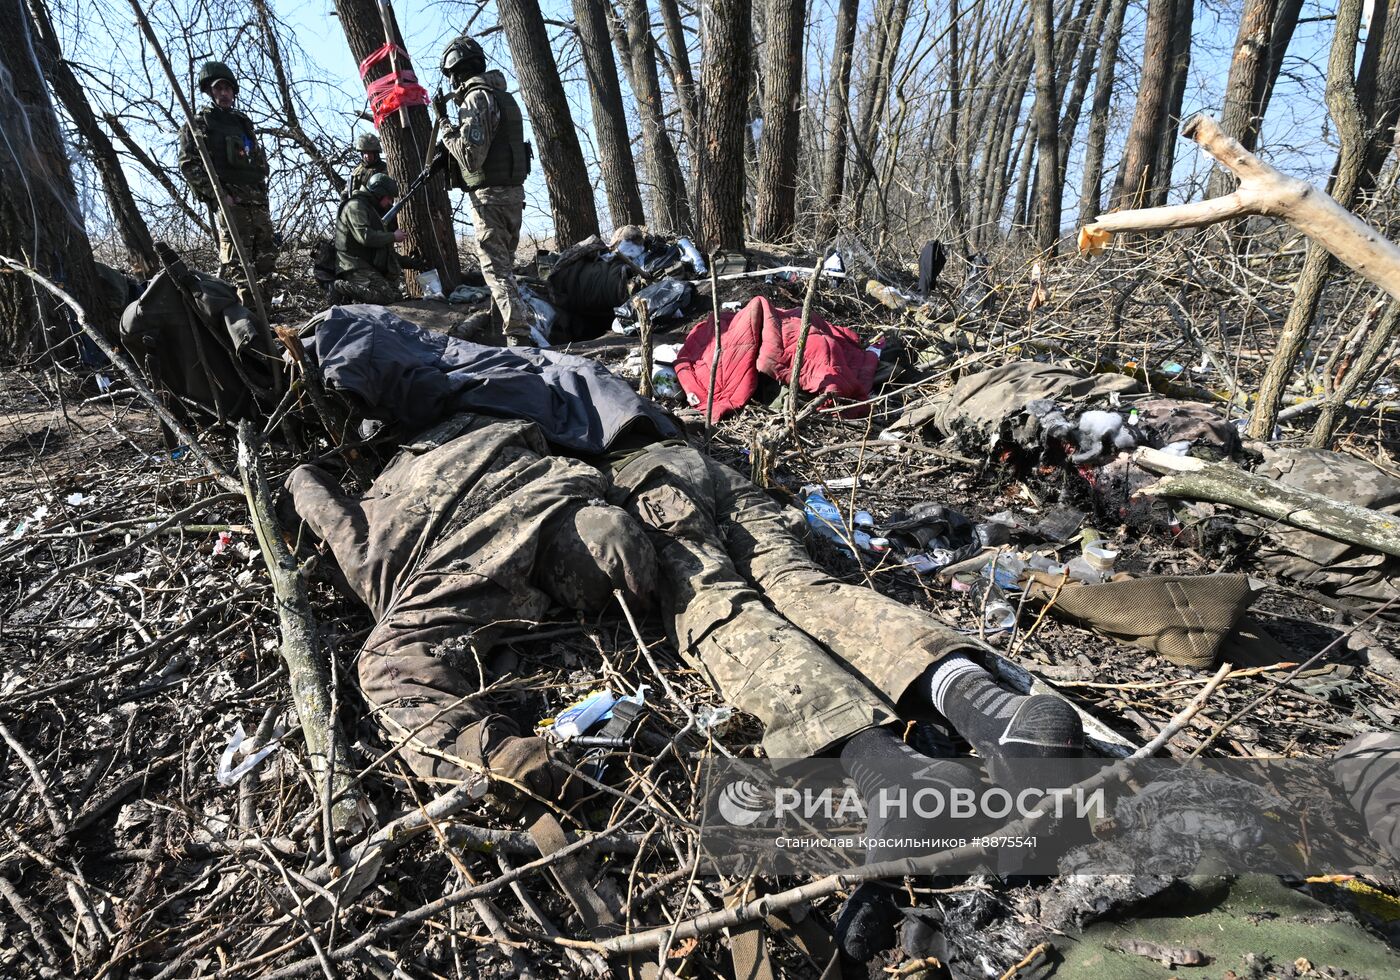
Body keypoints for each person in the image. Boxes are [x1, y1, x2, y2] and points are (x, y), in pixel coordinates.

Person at [436, 34, 533, 346]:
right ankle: (502, 328)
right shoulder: (504, 96)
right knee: (503, 269)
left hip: (490, 198)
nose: (452, 82)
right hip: (513, 196)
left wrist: (445, 126)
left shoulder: (476, 99)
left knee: (496, 272)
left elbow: (470, 156)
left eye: (452, 75)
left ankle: (519, 339)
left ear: (458, 72)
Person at [178, 61, 277, 310]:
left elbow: (254, 158)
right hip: (232, 202)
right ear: (210, 92)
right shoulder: (198, 124)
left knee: (266, 259)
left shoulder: (242, 122)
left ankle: (266, 313)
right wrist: (218, 196)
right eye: (218, 89)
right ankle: (252, 320)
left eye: (227, 89)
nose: (224, 93)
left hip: (256, 201)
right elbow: (189, 165)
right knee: (241, 264)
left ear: (233, 92)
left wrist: (262, 191)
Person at [327, 172, 406, 305]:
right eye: (389, 198)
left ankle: (352, 295)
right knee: (386, 297)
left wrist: (413, 263)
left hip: (365, 265)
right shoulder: (356, 206)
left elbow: (384, 251)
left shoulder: (369, 208)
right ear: (379, 194)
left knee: (397, 295)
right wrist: (393, 236)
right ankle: (340, 287)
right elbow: (365, 237)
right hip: (352, 266)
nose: (390, 203)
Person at [344, 133, 388, 199]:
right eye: (365, 152)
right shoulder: (356, 172)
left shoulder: (385, 169)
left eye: (370, 153)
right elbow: (346, 192)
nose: (367, 156)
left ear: (376, 153)